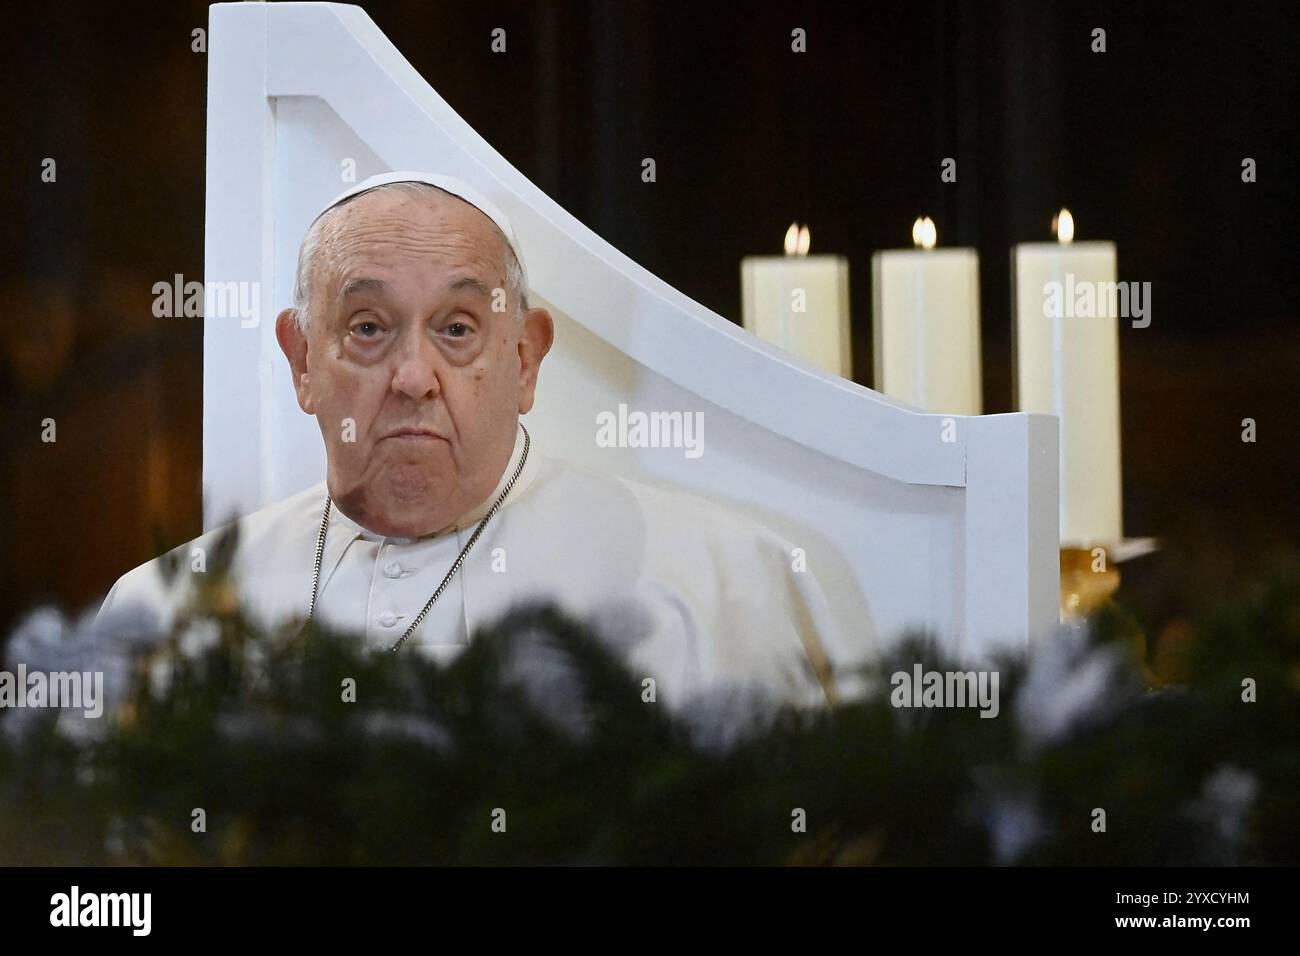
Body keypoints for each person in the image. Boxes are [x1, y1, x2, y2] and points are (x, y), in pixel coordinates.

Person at [97, 171, 845, 713]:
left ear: (524, 360)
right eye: (367, 328)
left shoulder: (712, 582)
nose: (413, 376)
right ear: (302, 362)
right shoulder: (165, 612)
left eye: (457, 329)